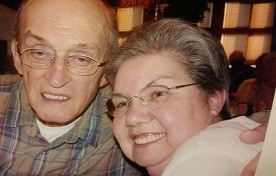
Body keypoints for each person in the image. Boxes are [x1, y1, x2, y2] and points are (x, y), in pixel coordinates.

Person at [0, 0, 143, 175]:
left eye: (81, 59)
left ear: (107, 69)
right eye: (40, 53)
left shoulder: (132, 127)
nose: (56, 79)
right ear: (17, 56)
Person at [104, 18, 263, 175]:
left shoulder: (210, 158)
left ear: (213, 99)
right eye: (122, 103)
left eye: (157, 94)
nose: (132, 118)